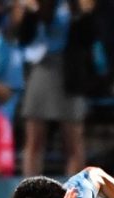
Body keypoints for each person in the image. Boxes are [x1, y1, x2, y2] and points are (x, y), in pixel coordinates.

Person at [15, 0, 89, 177]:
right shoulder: (35, 3)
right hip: (42, 67)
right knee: (34, 138)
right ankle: (31, 192)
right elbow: (23, 37)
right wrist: (31, 11)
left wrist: (80, 12)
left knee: (73, 140)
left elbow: (87, 36)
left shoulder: (76, 4)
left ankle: (74, 196)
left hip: (70, 70)